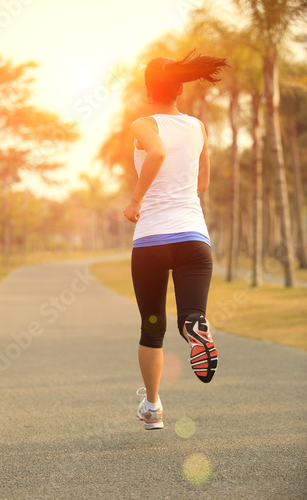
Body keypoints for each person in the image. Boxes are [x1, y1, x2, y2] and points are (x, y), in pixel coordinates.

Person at [123, 49, 228, 430]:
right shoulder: (198, 126)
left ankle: (152, 409)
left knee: (152, 327)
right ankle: (196, 328)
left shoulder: (142, 124)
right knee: (191, 315)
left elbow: (157, 150)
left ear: (148, 89)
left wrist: (136, 201)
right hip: (193, 239)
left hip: (151, 240)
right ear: (180, 87)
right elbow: (202, 183)